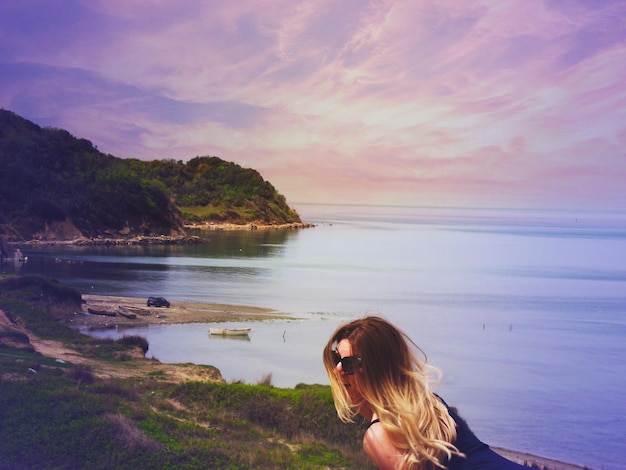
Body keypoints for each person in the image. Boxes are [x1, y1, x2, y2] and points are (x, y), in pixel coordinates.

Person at [323, 316, 526, 469]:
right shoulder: (429, 403)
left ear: (378, 369)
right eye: (336, 360)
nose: (338, 370)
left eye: (349, 363)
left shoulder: (378, 434)